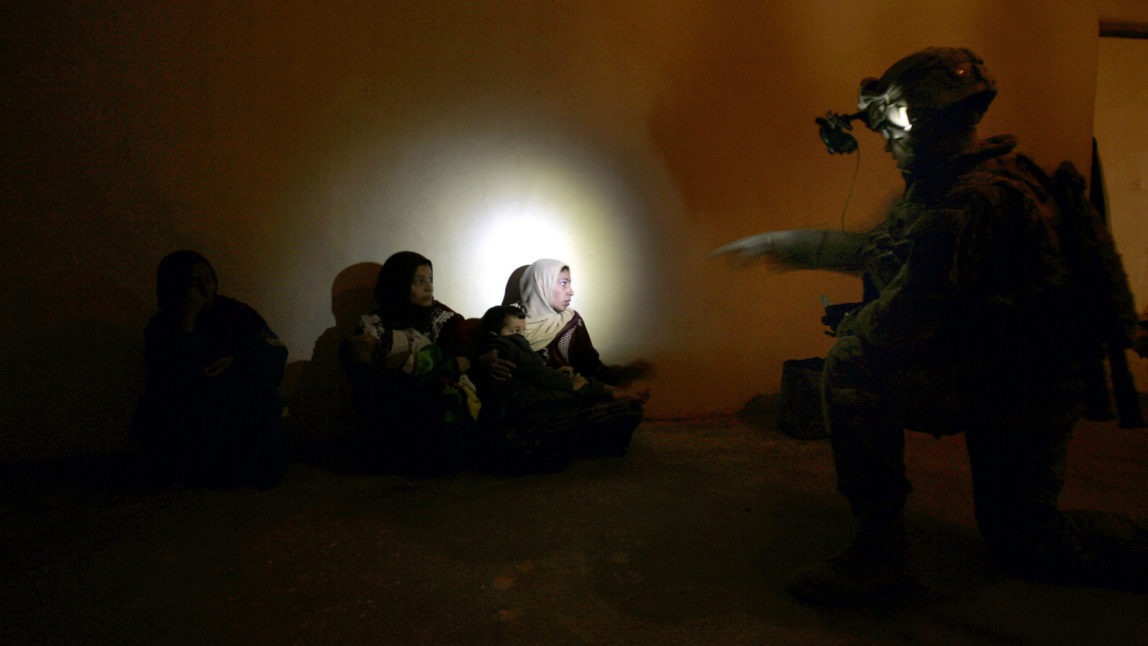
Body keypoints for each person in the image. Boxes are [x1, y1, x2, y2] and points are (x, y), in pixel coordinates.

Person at [714, 47, 1148, 602]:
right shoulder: (969, 183)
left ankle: (878, 558)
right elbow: (888, 252)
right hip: (1009, 373)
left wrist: (858, 326)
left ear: (925, 120)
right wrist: (790, 245)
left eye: (894, 126)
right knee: (1022, 538)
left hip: (1019, 393)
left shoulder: (972, 202)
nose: (889, 143)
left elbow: (906, 314)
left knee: (851, 369)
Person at [133, 250, 288, 488]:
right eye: (194, 282)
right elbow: (167, 372)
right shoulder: (164, 324)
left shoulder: (237, 313)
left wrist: (236, 362)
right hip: (193, 399)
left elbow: (273, 351)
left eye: (208, 278)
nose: (205, 287)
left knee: (259, 397)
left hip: (238, 388)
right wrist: (188, 321)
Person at [340, 251, 479, 476]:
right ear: (397, 284)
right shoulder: (374, 322)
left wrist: (416, 365)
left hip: (432, 391)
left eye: (431, 280)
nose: (430, 288)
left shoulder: (446, 320)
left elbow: (464, 360)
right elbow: (362, 366)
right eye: (419, 281)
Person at [472, 305, 648, 472]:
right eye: (515, 331)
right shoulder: (509, 344)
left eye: (522, 330)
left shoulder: (494, 347)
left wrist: (558, 375)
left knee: (581, 387)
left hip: (524, 399)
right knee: (582, 392)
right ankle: (614, 395)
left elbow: (533, 372)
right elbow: (538, 374)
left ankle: (612, 393)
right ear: (494, 333)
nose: (521, 335)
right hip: (524, 404)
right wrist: (570, 383)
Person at [513, 258, 652, 387]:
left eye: (569, 283)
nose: (571, 291)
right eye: (563, 283)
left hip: (568, 396)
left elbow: (590, 367)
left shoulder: (570, 321)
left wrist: (625, 375)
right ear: (541, 285)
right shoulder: (507, 319)